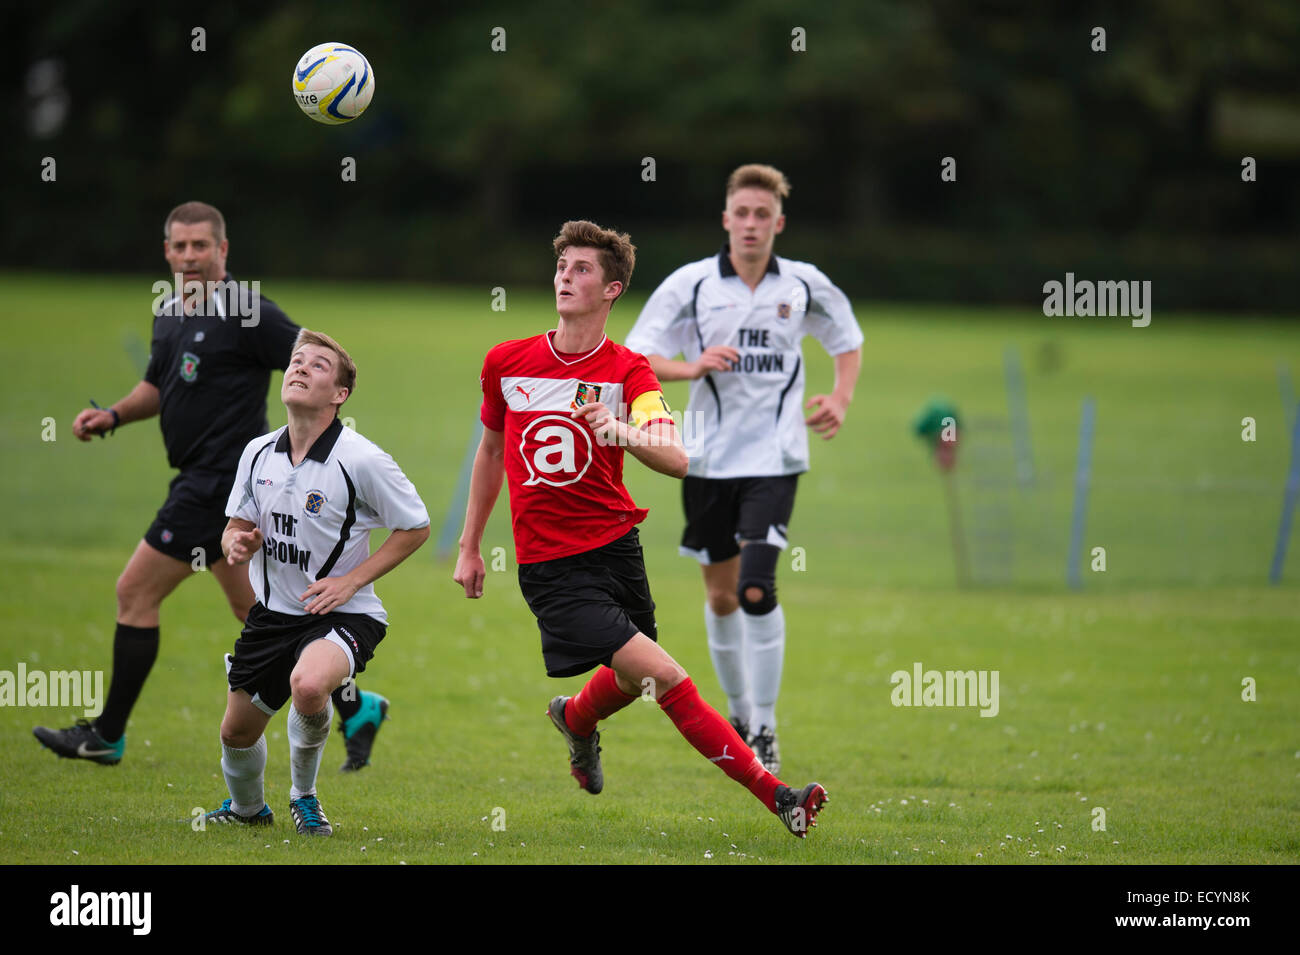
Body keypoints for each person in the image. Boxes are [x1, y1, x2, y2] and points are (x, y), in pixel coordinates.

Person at [453, 219, 828, 838]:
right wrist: (470, 547)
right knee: (668, 678)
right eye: (562, 266)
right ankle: (779, 795)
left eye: (582, 270)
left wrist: (620, 429)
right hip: (551, 566)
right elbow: (491, 453)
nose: (565, 278)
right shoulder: (506, 362)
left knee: (633, 677)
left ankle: (575, 719)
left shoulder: (628, 371)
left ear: (612, 290)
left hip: (616, 549)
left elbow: (677, 457)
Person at [34, 202, 391, 772]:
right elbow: (158, 383)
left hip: (223, 482)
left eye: (202, 245)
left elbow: (318, 362)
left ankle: (106, 735)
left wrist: (321, 447)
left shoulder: (247, 311)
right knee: (255, 608)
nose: (190, 256)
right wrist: (114, 416)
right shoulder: (170, 311)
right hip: (213, 491)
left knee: (135, 592)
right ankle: (356, 704)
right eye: (180, 247)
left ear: (223, 250)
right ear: (168, 253)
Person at [623, 164, 863, 773]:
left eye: (763, 215)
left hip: (776, 459)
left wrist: (839, 397)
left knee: (758, 588)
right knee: (723, 594)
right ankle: (738, 710)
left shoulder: (803, 285)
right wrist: (693, 366)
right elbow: (638, 356)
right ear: (726, 219)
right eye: (742, 214)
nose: (752, 224)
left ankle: (766, 725)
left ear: (778, 223)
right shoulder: (694, 285)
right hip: (704, 459)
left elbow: (846, 340)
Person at [203, 329, 429, 833]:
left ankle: (304, 797)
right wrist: (234, 543)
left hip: (343, 613)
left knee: (308, 686)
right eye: (296, 361)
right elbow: (235, 525)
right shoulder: (258, 452)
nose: (300, 368)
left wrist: (351, 582)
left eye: (318, 366)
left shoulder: (362, 459)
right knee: (236, 732)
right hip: (273, 614)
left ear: (339, 394)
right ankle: (247, 812)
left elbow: (416, 526)